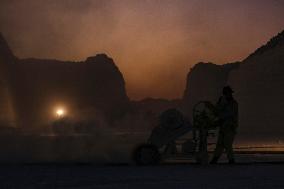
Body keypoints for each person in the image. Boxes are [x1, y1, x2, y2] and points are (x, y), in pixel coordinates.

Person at [210, 86, 238, 164]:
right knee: (220, 144)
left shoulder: (233, 103)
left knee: (227, 143)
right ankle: (215, 159)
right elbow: (217, 111)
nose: (229, 95)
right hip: (223, 127)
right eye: (227, 93)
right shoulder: (223, 102)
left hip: (230, 127)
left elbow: (229, 114)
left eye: (229, 93)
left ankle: (231, 160)